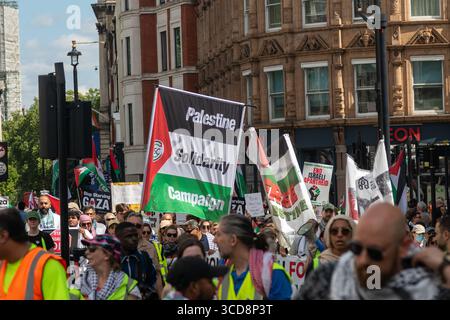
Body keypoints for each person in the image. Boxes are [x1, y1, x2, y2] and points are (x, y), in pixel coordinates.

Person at [296, 202, 450, 300]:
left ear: (402, 249)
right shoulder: (328, 277)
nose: (363, 260)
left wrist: (444, 269)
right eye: (357, 249)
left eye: (374, 252)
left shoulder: (431, 287)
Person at [214, 214, 292, 300]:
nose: (214, 240)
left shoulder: (274, 274)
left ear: (233, 240)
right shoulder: (221, 277)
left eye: (218, 235)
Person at [0, 208, 69, 300]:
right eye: (30, 219)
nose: (32, 221)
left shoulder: (48, 266)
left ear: (3, 236)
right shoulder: (3, 264)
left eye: (34, 219)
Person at [70, 234, 141, 300]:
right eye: (87, 248)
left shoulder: (129, 287)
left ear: (107, 255)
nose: (86, 252)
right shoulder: (80, 281)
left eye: (92, 249)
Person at [115, 222, 158, 300]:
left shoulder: (144, 257)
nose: (134, 238)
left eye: (135, 235)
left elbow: (152, 283)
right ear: (118, 238)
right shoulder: (111, 260)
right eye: (129, 236)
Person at [126, 212, 164, 296]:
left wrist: (161, 296)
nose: (134, 229)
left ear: (142, 228)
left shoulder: (150, 248)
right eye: (131, 225)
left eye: (138, 226)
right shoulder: (118, 246)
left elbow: (157, 275)